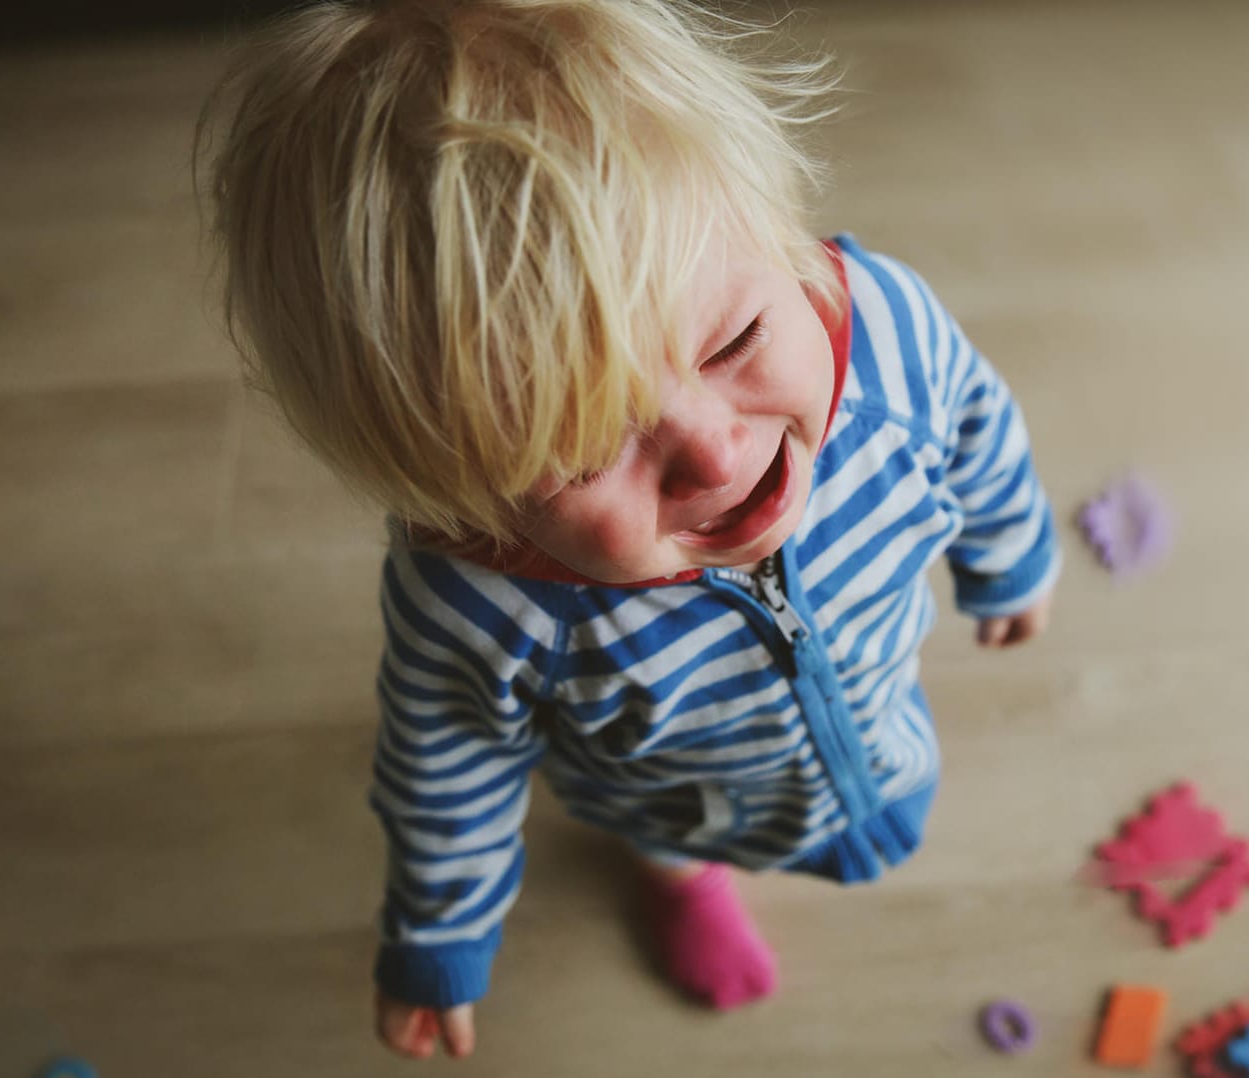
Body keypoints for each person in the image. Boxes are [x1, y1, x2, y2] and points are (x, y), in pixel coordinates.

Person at [201, 0, 1058, 1060]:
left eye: (736, 337)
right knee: (666, 835)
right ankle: (683, 878)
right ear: (459, 496)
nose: (713, 452)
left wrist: (1008, 553)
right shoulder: (477, 603)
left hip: (876, 683)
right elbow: (445, 760)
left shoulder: (883, 332)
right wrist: (439, 934)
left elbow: (978, 419)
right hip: (668, 795)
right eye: (585, 450)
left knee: (871, 721)